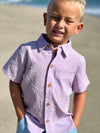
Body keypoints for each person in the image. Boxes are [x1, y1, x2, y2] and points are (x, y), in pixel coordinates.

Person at [2, 0, 90, 133]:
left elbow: (80, 91)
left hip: (63, 128)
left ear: (78, 27)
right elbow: (14, 82)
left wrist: (74, 124)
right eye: (55, 17)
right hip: (30, 126)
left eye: (68, 21)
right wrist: (21, 117)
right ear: (45, 18)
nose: (60, 25)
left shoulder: (77, 60)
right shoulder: (27, 51)